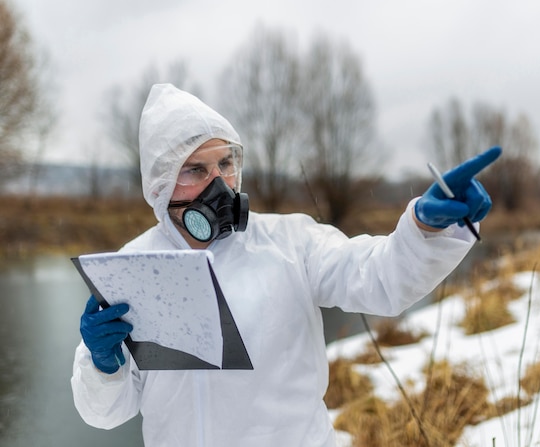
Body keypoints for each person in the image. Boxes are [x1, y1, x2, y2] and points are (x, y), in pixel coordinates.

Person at [71, 83, 501, 447]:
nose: (219, 182)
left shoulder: (291, 243)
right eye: (196, 170)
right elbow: (106, 414)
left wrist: (425, 228)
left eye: (226, 162)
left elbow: (380, 278)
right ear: (161, 185)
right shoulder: (132, 267)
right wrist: (104, 363)